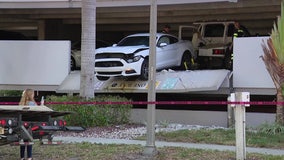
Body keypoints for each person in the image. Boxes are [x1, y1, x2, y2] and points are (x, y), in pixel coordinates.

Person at [19, 89, 37, 160]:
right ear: (30, 94)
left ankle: (22, 157)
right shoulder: (32, 103)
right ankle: (29, 157)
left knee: (23, 140)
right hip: (30, 122)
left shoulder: (21, 103)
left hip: (22, 122)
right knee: (29, 139)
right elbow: (37, 109)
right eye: (33, 94)